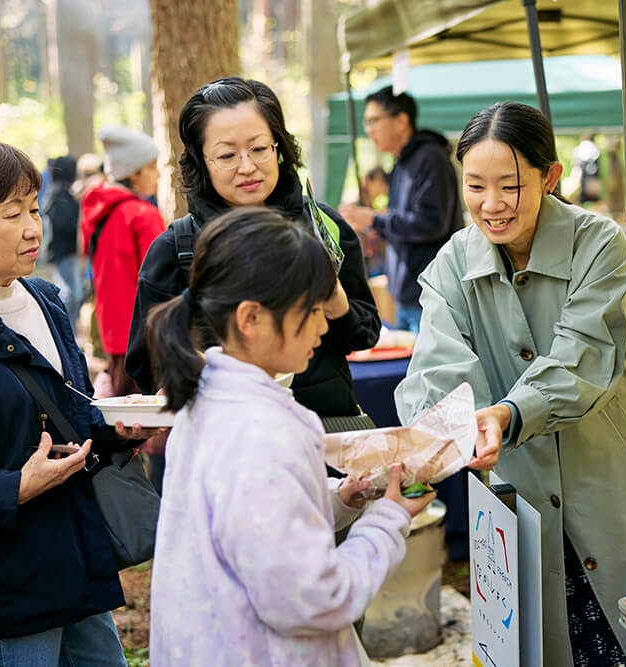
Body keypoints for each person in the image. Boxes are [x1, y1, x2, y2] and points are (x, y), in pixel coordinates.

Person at [394, 102, 626, 665]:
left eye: (510, 185)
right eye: (475, 186)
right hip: (525, 485)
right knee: (549, 636)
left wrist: (505, 415)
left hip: (620, 464)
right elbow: (437, 365)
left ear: (550, 177)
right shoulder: (453, 263)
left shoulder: (600, 244)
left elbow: (580, 358)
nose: (491, 204)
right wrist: (454, 423)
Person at [148, 208, 434, 664]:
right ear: (251, 319)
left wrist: (343, 495)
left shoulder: (209, 397)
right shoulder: (261, 433)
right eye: (313, 310)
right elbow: (314, 600)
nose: (324, 326)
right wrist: (389, 519)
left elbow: (251, 519)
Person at [0, 141, 154, 666]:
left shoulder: (45, 299)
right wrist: (14, 488)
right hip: (5, 586)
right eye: (11, 214)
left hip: (75, 556)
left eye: (33, 208)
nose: (33, 227)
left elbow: (67, 412)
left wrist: (119, 428)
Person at [126, 76, 379, 417]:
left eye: (259, 149)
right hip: (227, 443)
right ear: (202, 161)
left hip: (327, 439)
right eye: (227, 155)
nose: (247, 167)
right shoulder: (175, 249)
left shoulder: (324, 227)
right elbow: (148, 366)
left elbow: (364, 335)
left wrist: (335, 304)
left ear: (279, 147)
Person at [339, 86, 463, 335]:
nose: (369, 130)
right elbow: (403, 224)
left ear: (401, 120)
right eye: (366, 123)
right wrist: (370, 223)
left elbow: (431, 223)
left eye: (374, 120)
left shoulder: (430, 157)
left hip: (429, 292)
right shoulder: (402, 161)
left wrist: (375, 220)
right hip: (406, 293)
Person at [81, 126, 164, 397]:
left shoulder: (97, 210)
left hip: (114, 332)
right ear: (134, 171)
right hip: (144, 334)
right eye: (152, 167)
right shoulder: (143, 215)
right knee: (149, 424)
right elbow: (160, 277)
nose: (159, 174)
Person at [42, 154, 84, 331]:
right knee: (69, 295)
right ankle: (64, 333)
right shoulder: (58, 195)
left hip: (69, 252)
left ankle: (70, 334)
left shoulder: (63, 193)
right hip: (63, 253)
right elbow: (63, 225)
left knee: (76, 295)